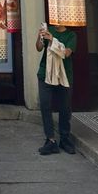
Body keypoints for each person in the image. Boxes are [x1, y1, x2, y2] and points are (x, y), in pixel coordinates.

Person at [36, 23, 77, 155]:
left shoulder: (71, 35)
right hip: (45, 73)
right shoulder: (49, 30)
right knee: (45, 105)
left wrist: (53, 39)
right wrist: (40, 37)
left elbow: (66, 53)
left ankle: (64, 138)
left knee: (65, 108)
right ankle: (50, 140)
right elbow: (38, 48)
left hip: (63, 74)